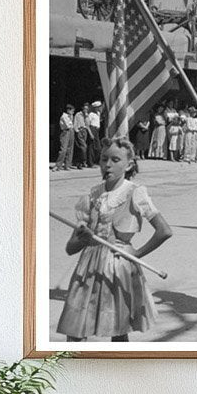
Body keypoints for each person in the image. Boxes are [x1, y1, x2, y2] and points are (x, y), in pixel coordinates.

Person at [56, 137, 171, 342]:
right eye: (104, 159)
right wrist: (83, 238)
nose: (107, 165)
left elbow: (164, 231)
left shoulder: (135, 193)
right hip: (88, 268)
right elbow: (70, 248)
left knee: (118, 330)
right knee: (74, 328)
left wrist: (136, 253)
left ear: (129, 165)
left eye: (115, 160)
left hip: (118, 269)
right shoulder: (92, 195)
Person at [56, 104, 74, 170]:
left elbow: (72, 125)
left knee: (70, 149)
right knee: (64, 149)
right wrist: (71, 118)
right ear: (68, 110)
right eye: (72, 111)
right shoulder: (64, 116)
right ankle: (58, 165)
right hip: (66, 131)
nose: (73, 112)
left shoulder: (70, 116)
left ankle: (67, 165)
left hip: (71, 131)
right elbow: (68, 125)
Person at [73, 103, 89, 169]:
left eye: (87, 109)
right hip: (80, 130)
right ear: (82, 108)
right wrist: (77, 130)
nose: (86, 110)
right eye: (85, 108)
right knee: (84, 147)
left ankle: (79, 163)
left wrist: (86, 116)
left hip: (84, 131)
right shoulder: (78, 114)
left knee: (81, 147)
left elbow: (88, 124)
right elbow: (75, 122)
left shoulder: (86, 115)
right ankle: (83, 161)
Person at [87, 101, 103, 167]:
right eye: (98, 107)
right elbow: (88, 124)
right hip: (92, 129)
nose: (99, 108)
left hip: (97, 130)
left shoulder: (98, 113)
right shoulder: (91, 114)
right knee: (91, 146)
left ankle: (96, 161)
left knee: (98, 147)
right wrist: (90, 133)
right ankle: (90, 163)